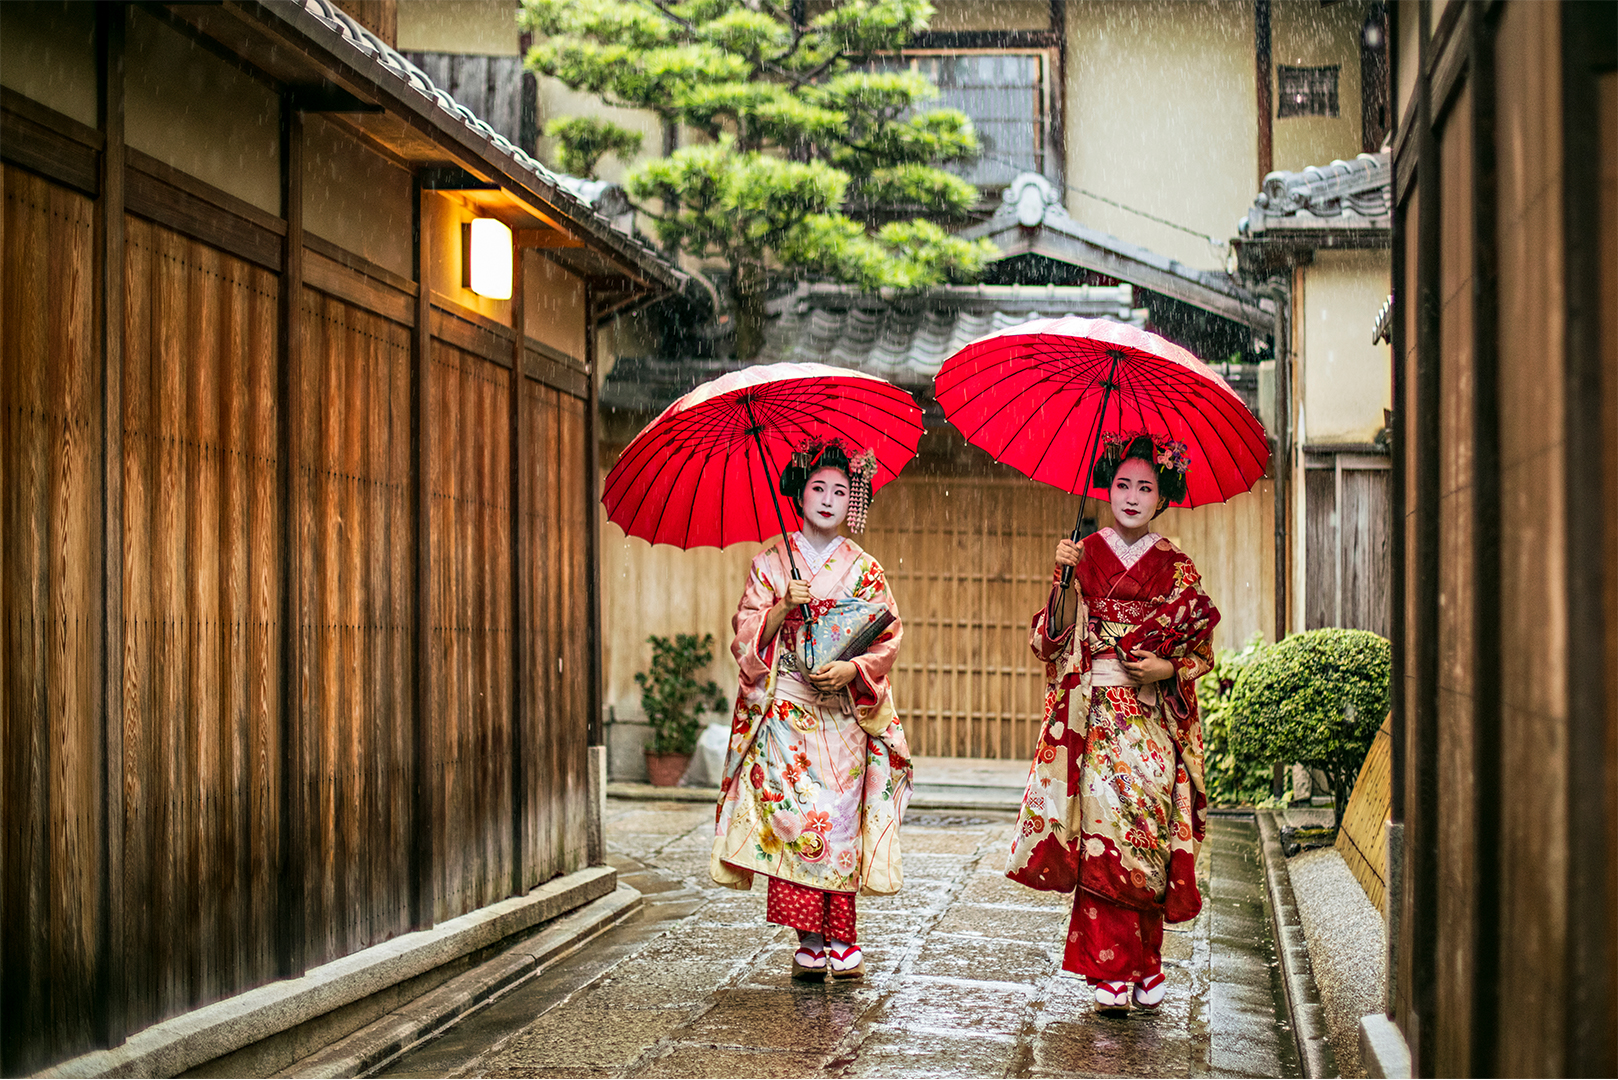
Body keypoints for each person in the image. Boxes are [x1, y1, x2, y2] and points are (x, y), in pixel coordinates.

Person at [1006, 433, 1220, 1014]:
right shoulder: (1083, 551)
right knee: (1103, 838)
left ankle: (1148, 960)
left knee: (1146, 839)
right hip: (1097, 719)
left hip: (1150, 719)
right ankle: (1108, 965)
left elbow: (1200, 647)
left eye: (1145, 487)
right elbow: (1048, 643)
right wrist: (1062, 581)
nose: (1131, 496)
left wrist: (1166, 665)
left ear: (1161, 498)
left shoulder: (1177, 566)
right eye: (1122, 484)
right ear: (1105, 488)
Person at [710, 438, 913, 981]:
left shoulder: (864, 568)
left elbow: (887, 633)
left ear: (854, 500)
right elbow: (745, 636)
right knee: (797, 820)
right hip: (788, 716)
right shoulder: (770, 563)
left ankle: (842, 936)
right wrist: (780, 608)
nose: (827, 499)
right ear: (798, 494)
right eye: (817, 488)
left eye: (840, 491)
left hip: (843, 713)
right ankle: (808, 937)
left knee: (839, 824)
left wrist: (853, 670)